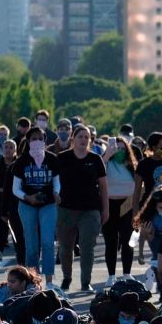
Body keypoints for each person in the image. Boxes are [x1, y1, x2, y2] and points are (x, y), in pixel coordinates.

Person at [53, 124, 109, 293]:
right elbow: (53, 181)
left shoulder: (95, 159)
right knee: (65, 248)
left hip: (90, 210)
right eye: (80, 137)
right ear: (73, 139)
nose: (83, 140)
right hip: (65, 209)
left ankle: (86, 282)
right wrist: (54, 196)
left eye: (87, 137)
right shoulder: (62, 158)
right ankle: (67, 277)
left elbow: (104, 187)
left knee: (87, 246)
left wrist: (106, 209)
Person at [14, 127, 61, 286]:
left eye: (40, 138)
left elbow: (57, 182)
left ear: (45, 140)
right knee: (32, 245)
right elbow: (16, 188)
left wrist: (56, 192)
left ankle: (49, 280)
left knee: (48, 242)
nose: (37, 141)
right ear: (28, 141)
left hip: (48, 204)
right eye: (34, 138)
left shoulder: (52, 159)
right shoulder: (21, 161)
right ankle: (33, 280)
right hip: (27, 205)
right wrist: (28, 197)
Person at [100, 135, 141, 279]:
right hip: (109, 204)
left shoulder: (132, 165)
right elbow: (96, 174)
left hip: (128, 204)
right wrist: (107, 154)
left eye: (123, 149)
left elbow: (139, 185)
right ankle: (111, 276)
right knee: (111, 241)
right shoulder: (105, 163)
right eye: (117, 149)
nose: (120, 152)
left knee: (127, 240)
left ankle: (127, 274)